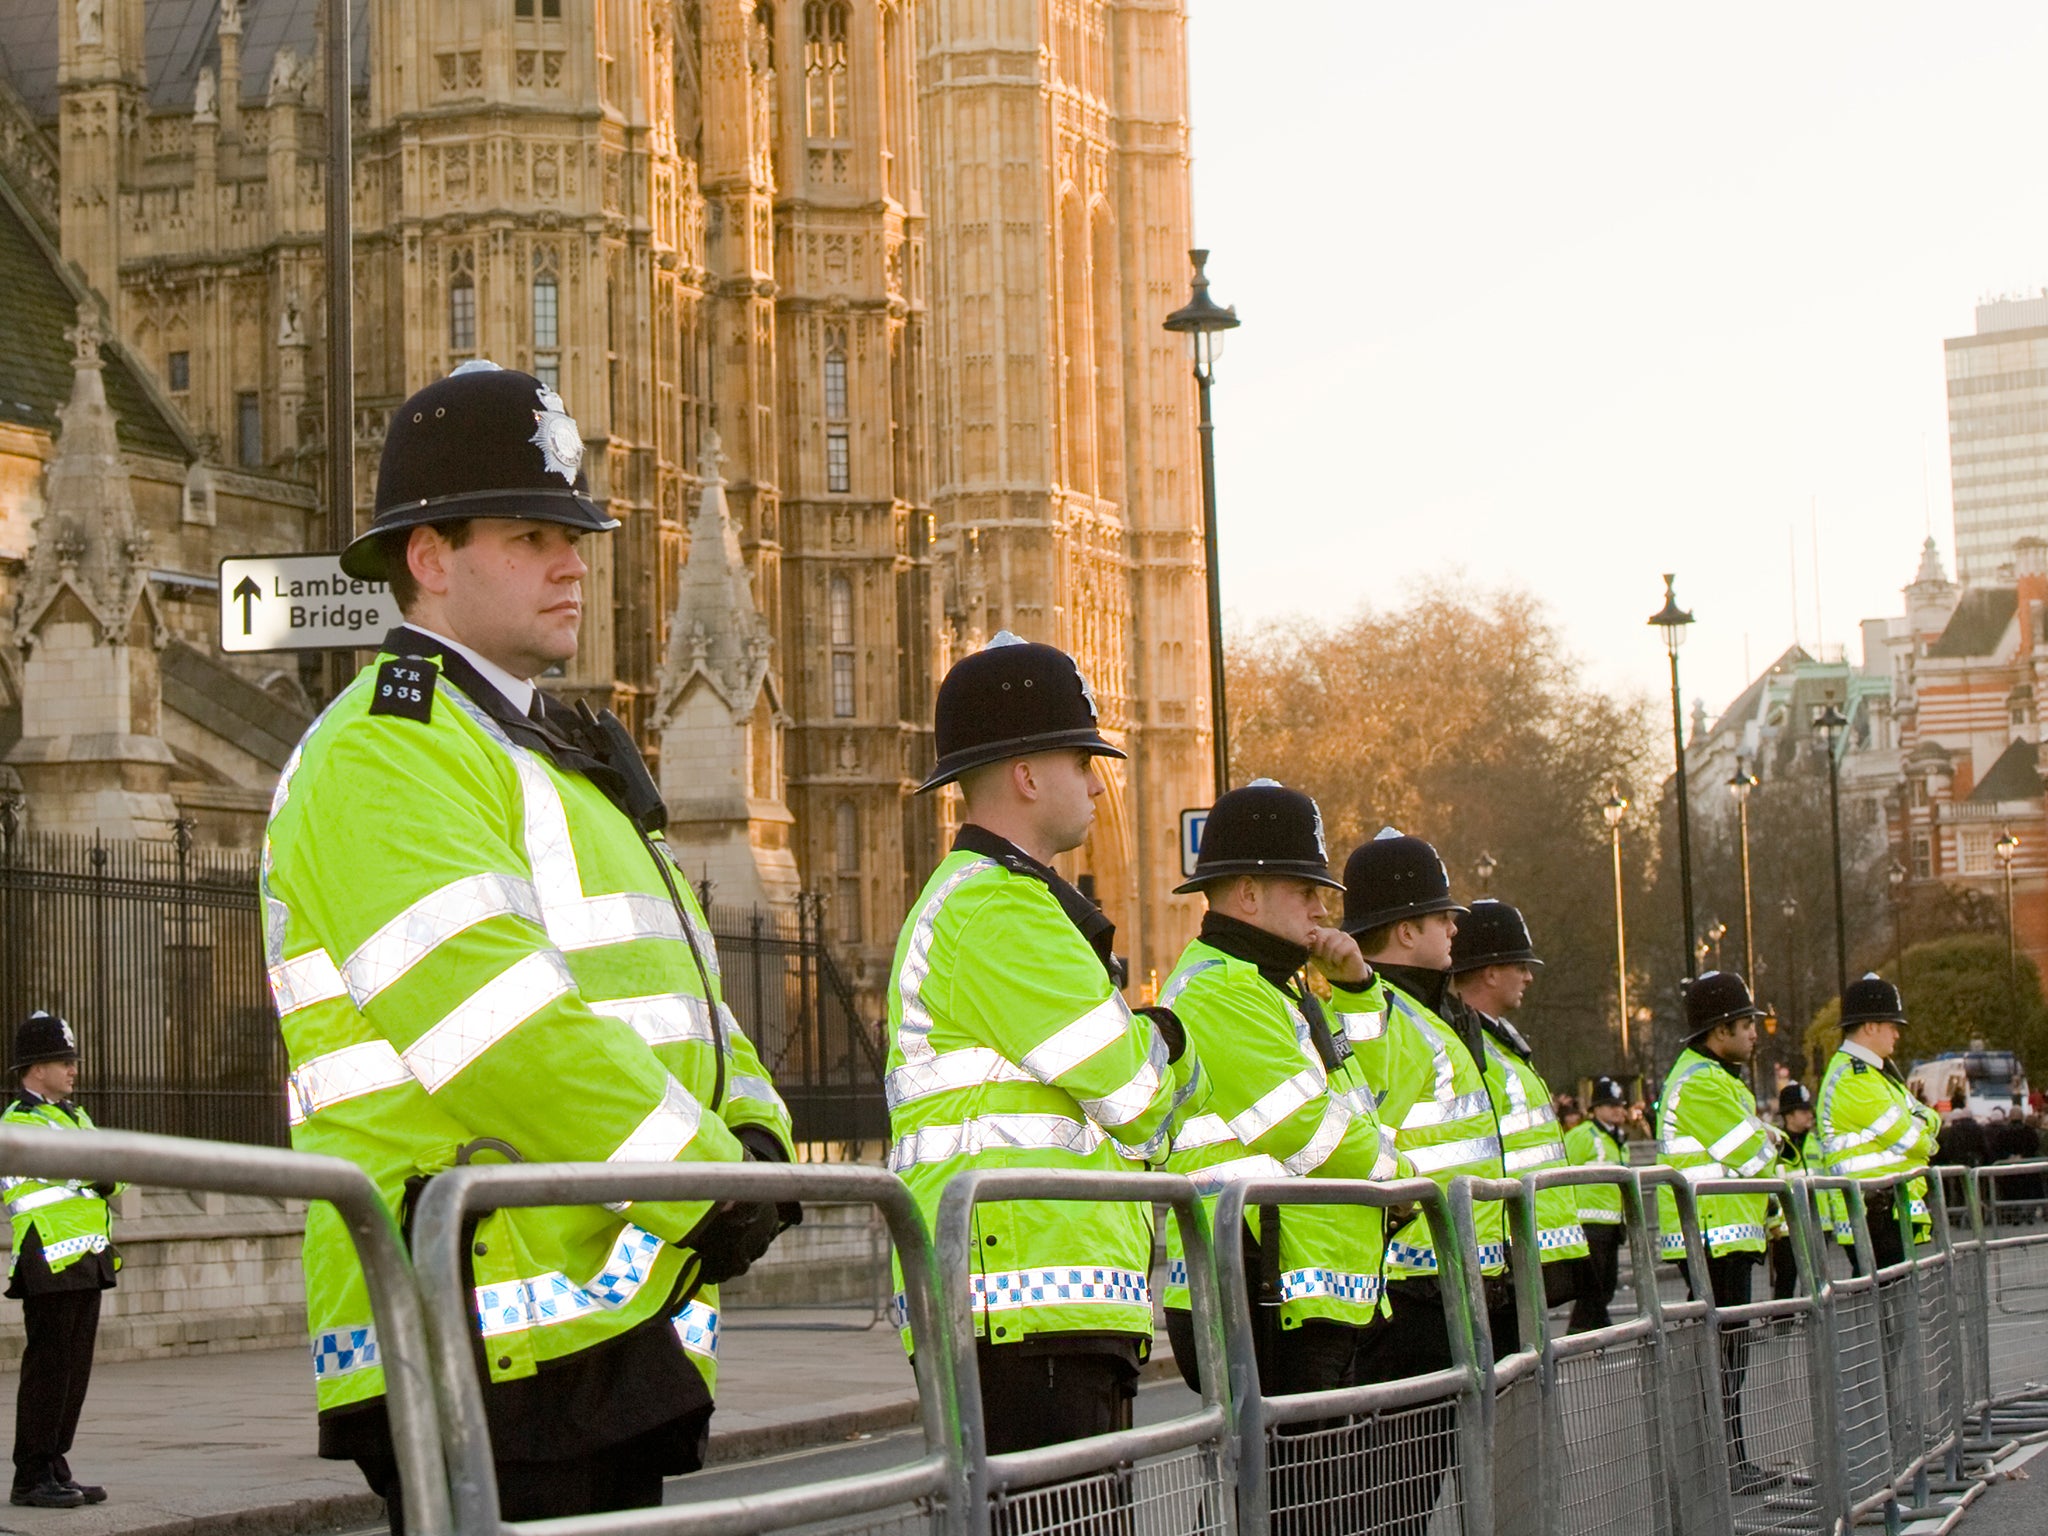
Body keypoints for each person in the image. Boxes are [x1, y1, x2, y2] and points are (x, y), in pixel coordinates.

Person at [265, 362, 799, 1527]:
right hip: (477, 1312)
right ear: (429, 556)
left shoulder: (551, 757)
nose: (572, 561)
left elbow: (681, 982)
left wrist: (755, 1124)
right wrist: (700, 1177)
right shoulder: (382, 751)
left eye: (574, 533)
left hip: (596, 1312)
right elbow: (488, 1020)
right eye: (530, 534)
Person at [883, 632, 1201, 1462]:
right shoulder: (1001, 912)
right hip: (1024, 1309)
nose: (1096, 780)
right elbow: (1140, 1099)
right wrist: (1165, 1041)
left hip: (1039, 1302)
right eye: (1078, 760)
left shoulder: (999, 904)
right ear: (1026, 775)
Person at [1156, 780, 1401, 1534]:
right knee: (1284, 1512)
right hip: (1261, 1294)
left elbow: (1378, 1095)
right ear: (1250, 893)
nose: (1324, 908)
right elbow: (1322, 1135)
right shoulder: (1221, 992)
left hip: (1308, 1292)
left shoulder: (1282, 989)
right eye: (1308, 890)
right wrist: (1388, 1166)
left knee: (1300, 1510)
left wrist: (1359, 988)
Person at [1339, 829, 1505, 1536]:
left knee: (1410, 1493)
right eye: (1443, 918)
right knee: (1388, 1501)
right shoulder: (1373, 1012)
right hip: (1406, 1291)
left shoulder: (1428, 1012)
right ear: (1406, 930)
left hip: (1442, 1284)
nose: (1455, 928)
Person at [1654, 971, 1784, 1495]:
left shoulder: (1717, 1079)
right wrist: (1770, 1139)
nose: (1755, 1032)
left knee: (1729, 1357)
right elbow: (1758, 1156)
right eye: (1746, 1024)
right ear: (1719, 1030)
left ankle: (1729, 1461)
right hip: (1713, 1237)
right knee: (1723, 1359)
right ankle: (1723, 1465)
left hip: (1725, 1235)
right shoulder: (1705, 1082)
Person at [1, 1012, 115, 1510]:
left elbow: (115, 1169)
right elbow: (63, 1173)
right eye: (64, 1062)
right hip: (45, 1256)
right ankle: (30, 1475)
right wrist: (97, 1171)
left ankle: (55, 1464)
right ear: (35, 1067)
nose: (73, 1071)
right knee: (48, 1370)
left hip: (87, 1257)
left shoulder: (74, 1115)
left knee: (74, 1372)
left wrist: (103, 1173)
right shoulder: (18, 1123)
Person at [1449, 900, 1587, 1309]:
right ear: (1490, 972)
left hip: (1527, 1246)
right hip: (1506, 1253)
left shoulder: (1497, 1042)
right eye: (1520, 966)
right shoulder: (1469, 1046)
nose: (1528, 976)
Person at [1817, 974, 1941, 1275]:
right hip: (1874, 1212)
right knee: (1886, 1309)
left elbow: (1929, 1116)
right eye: (1892, 1027)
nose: (1897, 1035)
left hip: (1886, 1209)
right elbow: (1915, 1140)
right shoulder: (1853, 1077)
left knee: (1894, 1308)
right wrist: (1925, 1133)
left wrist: (1921, 1124)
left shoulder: (1877, 1075)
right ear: (1871, 1026)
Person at [1562, 1075, 1630, 1333]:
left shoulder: (1618, 1139)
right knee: (1595, 1284)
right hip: (1588, 1222)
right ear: (1596, 1109)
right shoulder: (1582, 1135)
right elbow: (1562, 1170)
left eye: (1620, 1105)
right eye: (1611, 1105)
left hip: (1612, 1222)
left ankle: (1598, 1330)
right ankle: (1581, 1331)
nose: (1618, 1110)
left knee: (1607, 1283)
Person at [1765, 1082, 1823, 1300]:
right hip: (1786, 1229)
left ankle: (1817, 1329)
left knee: (1817, 1284)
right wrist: (1772, 1223)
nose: (1810, 1115)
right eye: (1804, 1110)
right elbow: (1768, 1186)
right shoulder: (1777, 1146)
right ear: (1789, 1115)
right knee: (1786, 1283)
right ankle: (1782, 1328)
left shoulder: (1816, 1143)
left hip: (1818, 1225)